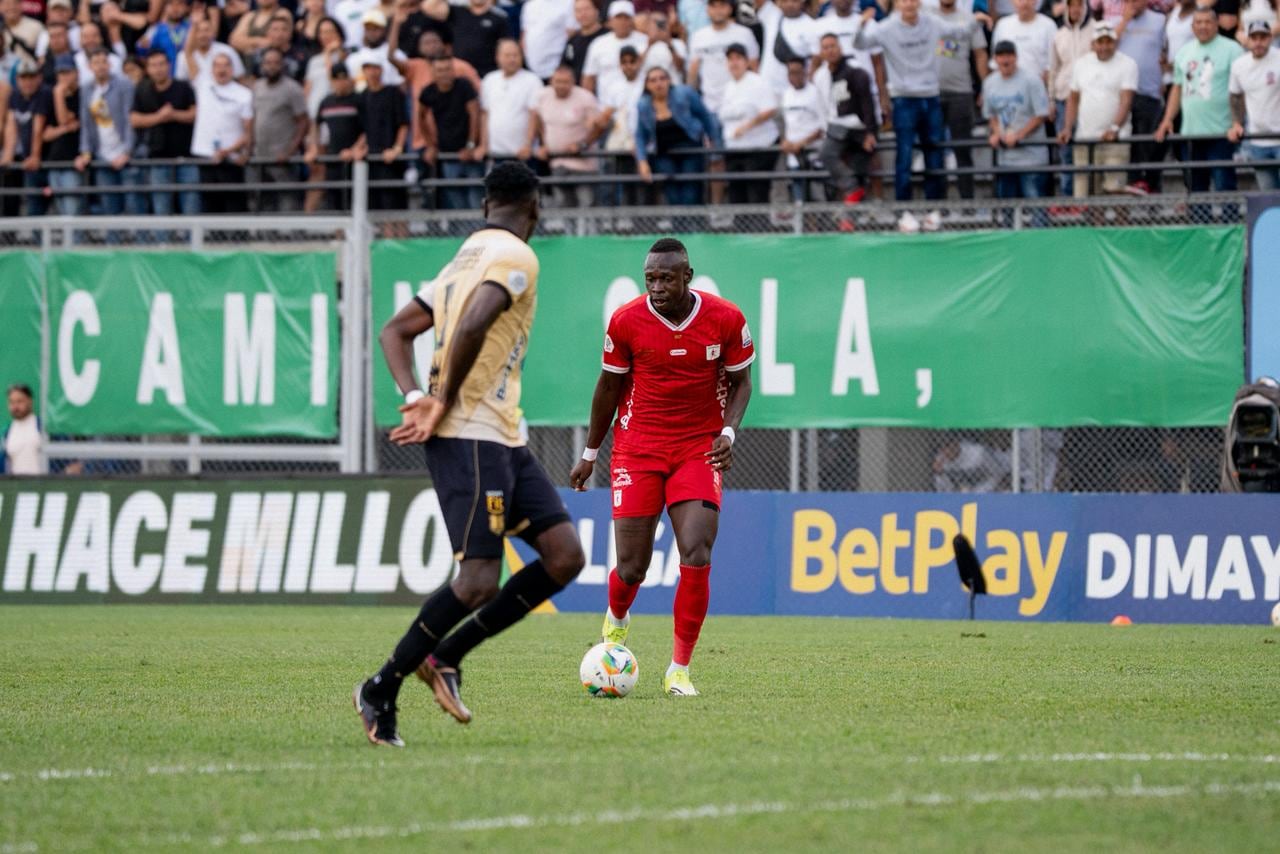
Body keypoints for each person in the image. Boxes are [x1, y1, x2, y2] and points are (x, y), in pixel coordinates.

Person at [355, 161, 586, 743]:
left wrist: (412, 393)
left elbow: (394, 330)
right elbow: (477, 321)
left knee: (563, 556)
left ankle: (447, 656)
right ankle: (381, 686)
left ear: (486, 205)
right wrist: (437, 400)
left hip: (503, 433)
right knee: (479, 578)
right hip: (468, 429)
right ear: (534, 208)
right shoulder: (517, 256)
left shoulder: (464, 257)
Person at [568, 237, 754, 697]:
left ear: (687, 276)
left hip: (698, 448)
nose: (657, 286)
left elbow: (741, 382)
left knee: (696, 551)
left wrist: (727, 433)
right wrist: (591, 454)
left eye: (666, 278)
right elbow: (607, 391)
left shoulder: (726, 318)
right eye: (650, 278)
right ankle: (616, 620)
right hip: (638, 449)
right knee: (632, 567)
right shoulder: (626, 321)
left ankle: (679, 670)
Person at [854, 0, 990, 213]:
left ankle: (934, 210)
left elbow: (960, 33)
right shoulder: (887, 27)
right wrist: (860, 24)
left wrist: (976, 20)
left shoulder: (932, 22)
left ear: (918, 3)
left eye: (912, 0)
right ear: (897, 4)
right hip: (904, 100)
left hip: (931, 97)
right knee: (904, 157)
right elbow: (860, 44)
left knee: (934, 156)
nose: (908, 4)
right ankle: (904, 212)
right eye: (903, 0)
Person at [1156, 5, 1244, 211]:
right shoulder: (1184, 52)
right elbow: (1177, 89)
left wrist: (1237, 121)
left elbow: (1241, 90)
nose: (1203, 26)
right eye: (1198, 22)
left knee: (1224, 186)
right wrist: (1167, 119)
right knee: (1196, 190)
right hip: (1191, 134)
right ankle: (1200, 235)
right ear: (1192, 26)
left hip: (1221, 132)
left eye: (1208, 22)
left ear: (1216, 24)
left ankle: (1228, 235)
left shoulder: (1233, 49)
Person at [1058, 22, 1136, 203]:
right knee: (1087, 193)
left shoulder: (1127, 64)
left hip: (1116, 139)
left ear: (1115, 43)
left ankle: (1119, 231)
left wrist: (1115, 128)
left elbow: (1126, 99)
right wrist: (1068, 128)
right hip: (1085, 138)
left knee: (1115, 190)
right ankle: (1093, 231)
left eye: (1108, 42)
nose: (1104, 46)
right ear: (1093, 44)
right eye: (1100, 42)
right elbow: (1073, 98)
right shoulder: (1081, 64)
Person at [982, 40, 1050, 226]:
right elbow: (991, 115)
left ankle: (1041, 244)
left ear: (1016, 57)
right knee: (1007, 208)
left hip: (1032, 157)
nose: (1005, 60)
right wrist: (996, 133)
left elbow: (1041, 114)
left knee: (1036, 205)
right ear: (995, 59)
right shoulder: (989, 83)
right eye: (1001, 56)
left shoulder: (1031, 80)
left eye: (1009, 55)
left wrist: (1019, 136)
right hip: (1006, 159)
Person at [634, 65, 721, 203]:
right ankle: (677, 225)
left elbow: (705, 116)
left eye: (662, 78)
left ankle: (694, 224)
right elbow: (640, 135)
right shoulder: (643, 105)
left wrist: (713, 141)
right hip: (663, 153)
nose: (659, 83)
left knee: (691, 194)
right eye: (653, 80)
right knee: (672, 194)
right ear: (647, 85)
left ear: (669, 81)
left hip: (690, 148)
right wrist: (642, 161)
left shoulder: (684, 94)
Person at [816, 31, 878, 218]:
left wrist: (870, 132)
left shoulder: (855, 70)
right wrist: (824, 129)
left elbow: (868, 103)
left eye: (832, 46)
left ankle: (854, 215)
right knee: (828, 155)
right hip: (837, 127)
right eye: (825, 48)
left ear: (840, 48)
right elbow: (823, 105)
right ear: (821, 52)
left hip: (858, 128)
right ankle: (851, 202)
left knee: (858, 170)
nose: (830, 51)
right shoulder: (821, 75)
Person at [130, 49, 198, 217]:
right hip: (157, 156)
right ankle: (163, 243)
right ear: (148, 69)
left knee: (190, 202)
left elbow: (195, 114)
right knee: (161, 203)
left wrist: (174, 115)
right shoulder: (142, 89)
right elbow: (134, 120)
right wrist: (159, 117)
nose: (158, 69)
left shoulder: (183, 87)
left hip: (186, 155)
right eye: (153, 65)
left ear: (169, 65)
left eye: (161, 64)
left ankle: (193, 242)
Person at [75, 47, 142, 216]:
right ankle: (112, 241)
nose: (100, 66)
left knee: (134, 203)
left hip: (124, 153)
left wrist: (127, 151)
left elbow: (129, 119)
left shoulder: (124, 84)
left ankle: (140, 242)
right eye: (96, 63)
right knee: (109, 206)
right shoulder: (86, 89)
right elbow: (86, 123)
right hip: (102, 154)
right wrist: (86, 152)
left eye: (104, 62)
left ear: (110, 64)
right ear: (90, 66)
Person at [419, 46, 484, 210]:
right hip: (447, 153)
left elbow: (475, 114)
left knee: (475, 198)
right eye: (440, 70)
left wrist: (470, 145)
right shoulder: (428, 92)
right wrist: (430, 145)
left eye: (448, 69)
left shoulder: (464, 86)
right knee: (455, 198)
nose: (444, 74)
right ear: (433, 72)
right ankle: (462, 233)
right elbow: (420, 117)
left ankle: (477, 233)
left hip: (469, 152)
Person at [533, 62, 603, 211]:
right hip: (557, 162)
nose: (561, 86)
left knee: (587, 205)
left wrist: (582, 144)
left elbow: (598, 127)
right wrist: (543, 144)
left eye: (565, 82)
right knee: (563, 205)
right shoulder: (543, 96)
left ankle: (589, 234)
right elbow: (537, 119)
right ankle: (569, 234)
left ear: (573, 82)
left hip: (583, 164)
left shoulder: (586, 98)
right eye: (558, 81)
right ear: (551, 81)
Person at [935, 0, 987, 200]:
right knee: (935, 152)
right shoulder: (927, 17)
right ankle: (937, 208)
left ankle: (967, 204)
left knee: (963, 151)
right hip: (931, 93)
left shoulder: (968, 18)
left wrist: (985, 87)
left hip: (961, 92)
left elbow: (980, 54)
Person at [189, 51, 252, 212]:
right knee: (208, 206)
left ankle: (237, 237)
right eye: (217, 65)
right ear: (211, 69)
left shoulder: (244, 95)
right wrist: (195, 26)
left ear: (232, 69)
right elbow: (189, 53)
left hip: (231, 159)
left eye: (226, 65)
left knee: (234, 207)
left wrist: (230, 151)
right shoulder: (203, 85)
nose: (221, 70)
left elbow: (248, 131)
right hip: (205, 157)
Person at [1115, 0, 1166, 194]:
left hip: (1150, 91)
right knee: (1130, 145)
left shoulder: (1160, 20)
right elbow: (1108, 45)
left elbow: (1165, 51)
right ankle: (1134, 184)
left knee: (1151, 144)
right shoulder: (1116, 22)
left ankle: (1152, 187)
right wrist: (1124, 20)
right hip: (1124, 94)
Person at [717, 41, 777, 204]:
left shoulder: (758, 82)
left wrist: (747, 126)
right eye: (730, 59)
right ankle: (739, 229)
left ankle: (760, 228)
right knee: (737, 195)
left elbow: (770, 109)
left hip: (757, 148)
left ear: (747, 61)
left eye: (738, 58)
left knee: (757, 194)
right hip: (734, 150)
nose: (734, 62)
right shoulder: (728, 86)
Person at [251, 46, 308, 211]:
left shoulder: (292, 89)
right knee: (262, 200)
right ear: (262, 65)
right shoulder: (257, 87)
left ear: (283, 65)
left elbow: (303, 121)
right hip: (260, 156)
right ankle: (263, 235)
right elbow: (254, 117)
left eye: (276, 63)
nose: (271, 66)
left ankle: (289, 236)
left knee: (287, 200)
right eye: (268, 62)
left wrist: (290, 151)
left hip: (282, 157)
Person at [1228, 20, 1280, 190]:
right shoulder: (1239, 65)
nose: (1258, 42)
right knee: (1268, 195)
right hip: (1257, 140)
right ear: (1247, 39)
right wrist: (1236, 123)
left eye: (1263, 37)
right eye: (1254, 37)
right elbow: (1235, 96)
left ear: (1270, 38)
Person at [1050, 0, 1094, 195]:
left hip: (1089, 99)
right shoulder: (1059, 35)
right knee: (1066, 149)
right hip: (1063, 98)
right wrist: (1051, 99)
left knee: (1086, 149)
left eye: (1079, 5)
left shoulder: (1095, 31)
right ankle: (1067, 197)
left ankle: (1084, 197)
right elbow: (1053, 69)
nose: (1075, 10)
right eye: (1072, 5)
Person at [688, 0, 758, 116]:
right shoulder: (698, 36)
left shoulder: (744, 34)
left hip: (740, 103)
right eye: (713, 6)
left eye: (722, 6)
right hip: (710, 106)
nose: (718, 10)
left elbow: (754, 67)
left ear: (730, 9)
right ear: (707, 9)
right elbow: (693, 72)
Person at [307, 62, 361, 209]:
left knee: (355, 201)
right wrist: (314, 147)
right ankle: (339, 233)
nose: (340, 83)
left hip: (355, 158)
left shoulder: (358, 100)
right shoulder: (326, 102)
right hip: (333, 157)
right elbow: (316, 125)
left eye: (344, 78)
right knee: (335, 202)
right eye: (336, 79)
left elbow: (367, 130)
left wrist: (355, 148)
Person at [479, 38, 542, 163]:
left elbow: (534, 115)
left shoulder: (532, 80)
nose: (512, 59)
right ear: (498, 57)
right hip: (495, 153)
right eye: (507, 55)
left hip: (523, 154)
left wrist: (528, 145)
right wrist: (483, 145)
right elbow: (485, 114)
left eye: (516, 55)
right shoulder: (489, 80)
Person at [1, 60, 49, 216]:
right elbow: (11, 125)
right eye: (24, 78)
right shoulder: (15, 95)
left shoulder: (43, 93)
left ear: (39, 78)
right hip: (27, 159)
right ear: (17, 80)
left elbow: (38, 127)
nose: (28, 82)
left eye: (31, 77)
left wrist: (35, 156)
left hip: (47, 157)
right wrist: (7, 155)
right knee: (32, 204)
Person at [422, 0, 510, 78]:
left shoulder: (499, 18)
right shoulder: (457, 12)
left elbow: (505, 47)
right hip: (459, 74)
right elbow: (428, 6)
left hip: (486, 74)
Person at [780, 56, 824, 201]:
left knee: (818, 198)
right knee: (798, 199)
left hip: (814, 155)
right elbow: (786, 123)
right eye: (791, 73)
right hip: (793, 156)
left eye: (798, 72)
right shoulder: (786, 95)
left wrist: (802, 143)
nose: (795, 76)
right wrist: (785, 141)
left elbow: (823, 126)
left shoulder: (816, 93)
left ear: (805, 72)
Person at [44, 54, 83, 216]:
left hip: (73, 161)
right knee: (61, 210)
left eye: (68, 72)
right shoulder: (49, 97)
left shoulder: (82, 95)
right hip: (54, 160)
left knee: (72, 212)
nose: (64, 77)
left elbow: (62, 120)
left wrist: (59, 93)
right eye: (60, 73)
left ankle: (76, 242)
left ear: (76, 73)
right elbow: (45, 135)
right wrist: (65, 128)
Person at [582, 0, 649, 93]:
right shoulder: (598, 44)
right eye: (618, 17)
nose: (622, 21)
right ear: (610, 20)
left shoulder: (646, 41)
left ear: (633, 20)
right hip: (606, 105)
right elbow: (589, 78)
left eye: (626, 17)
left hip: (638, 102)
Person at [990, 0, 1058, 87]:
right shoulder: (1002, 25)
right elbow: (995, 62)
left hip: (1039, 88)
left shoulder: (1048, 25)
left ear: (1036, 1)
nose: (1025, 3)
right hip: (1007, 89)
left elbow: (1054, 62)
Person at [177, 16, 245, 87]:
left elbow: (239, 77)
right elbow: (181, 84)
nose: (203, 35)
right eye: (198, 31)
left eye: (206, 30)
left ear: (213, 32)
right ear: (192, 34)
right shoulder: (183, 56)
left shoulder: (228, 51)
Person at [522, 0, 575, 80]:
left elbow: (572, 38)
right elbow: (524, 35)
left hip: (556, 71)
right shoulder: (529, 5)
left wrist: (566, 64)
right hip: (531, 69)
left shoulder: (569, 3)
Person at [2, 384, 43, 476]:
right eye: (11, 402)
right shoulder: (7, 432)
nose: (15, 407)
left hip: (43, 486)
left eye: (20, 401)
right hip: (18, 488)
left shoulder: (42, 426)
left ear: (30, 401)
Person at [562, 0, 605, 83]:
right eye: (578, 10)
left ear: (597, 10)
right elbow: (566, 66)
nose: (583, 14)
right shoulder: (572, 41)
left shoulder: (608, 37)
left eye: (587, 9)